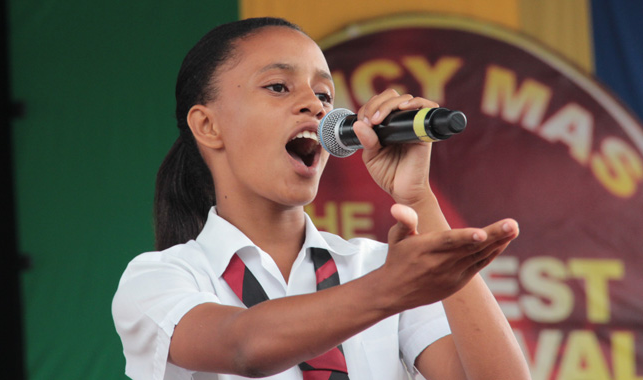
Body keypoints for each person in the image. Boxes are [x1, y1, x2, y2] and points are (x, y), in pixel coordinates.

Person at [112, 17, 531, 380]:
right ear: (207, 125)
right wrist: (391, 288)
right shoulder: (160, 278)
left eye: (325, 95)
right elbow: (245, 347)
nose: (315, 105)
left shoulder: (377, 266)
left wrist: (418, 198)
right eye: (278, 86)